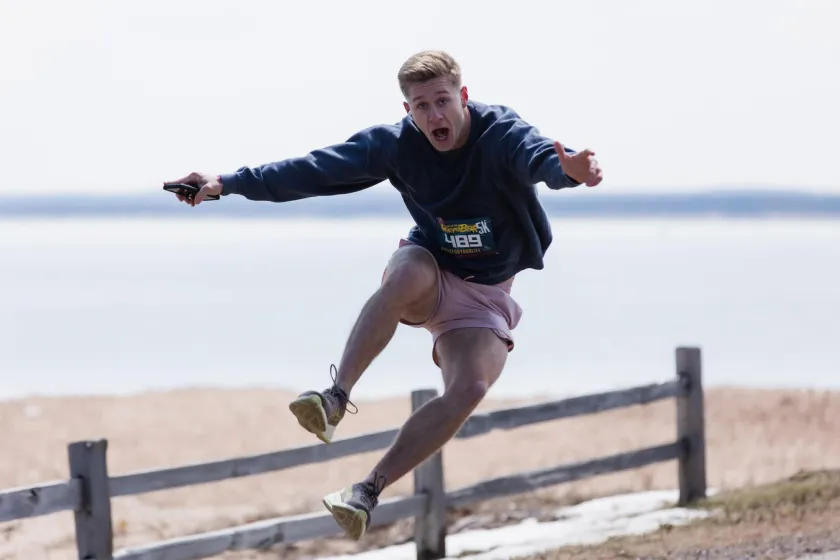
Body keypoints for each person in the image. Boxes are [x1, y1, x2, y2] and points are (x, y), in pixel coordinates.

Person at [165, 50, 603, 541]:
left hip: (486, 296)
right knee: (404, 277)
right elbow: (314, 170)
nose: (435, 115)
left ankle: (366, 492)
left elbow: (538, 157)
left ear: (463, 97)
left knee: (469, 389)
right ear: (408, 111)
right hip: (430, 268)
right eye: (422, 106)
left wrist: (568, 173)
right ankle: (335, 398)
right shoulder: (396, 145)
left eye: (442, 101)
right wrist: (224, 183)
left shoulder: (499, 133)